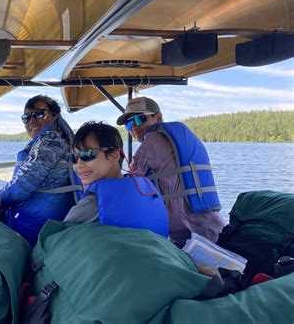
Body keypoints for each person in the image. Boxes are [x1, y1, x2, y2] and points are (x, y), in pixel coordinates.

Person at [116, 96, 225, 245]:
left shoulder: (151, 142)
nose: (134, 127)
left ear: (158, 117)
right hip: (212, 224)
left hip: (185, 230)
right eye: (129, 125)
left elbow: (130, 184)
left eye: (139, 119)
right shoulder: (184, 136)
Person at [0, 95, 79, 246]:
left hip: (36, 226)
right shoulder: (59, 140)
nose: (32, 121)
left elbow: (21, 187)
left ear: (55, 116)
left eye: (39, 114)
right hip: (46, 219)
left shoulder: (51, 142)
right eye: (26, 117)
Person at [64, 121, 169, 237]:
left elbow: (61, 236)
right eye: (73, 157)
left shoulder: (95, 201)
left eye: (86, 155)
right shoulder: (146, 186)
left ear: (114, 156)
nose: (78, 165)